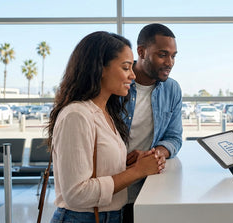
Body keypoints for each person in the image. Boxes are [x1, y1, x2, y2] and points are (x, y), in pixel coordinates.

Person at [46, 31, 165, 222]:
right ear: (100, 68)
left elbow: (96, 167)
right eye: (126, 67)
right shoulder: (76, 115)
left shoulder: (105, 113)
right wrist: (137, 171)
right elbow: (76, 193)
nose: (133, 75)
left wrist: (132, 163)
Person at [121, 23, 183, 222]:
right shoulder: (117, 85)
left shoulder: (172, 89)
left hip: (146, 188)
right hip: (112, 188)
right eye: (163, 54)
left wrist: (154, 154)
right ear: (141, 51)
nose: (170, 62)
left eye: (173, 56)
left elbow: (174, 138)